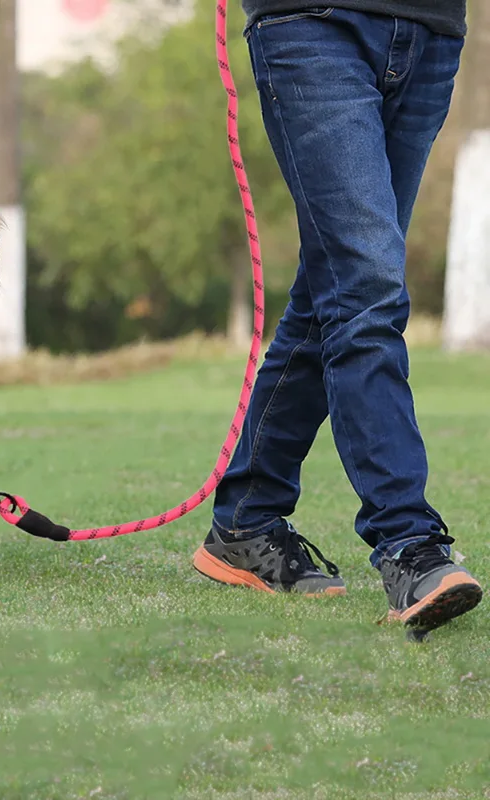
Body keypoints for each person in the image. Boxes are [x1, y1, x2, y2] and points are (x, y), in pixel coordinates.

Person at [193, 1, 483, 630]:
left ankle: (246, 521)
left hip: (432, 30)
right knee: (366, 288)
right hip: (312, 21)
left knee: (334, 290)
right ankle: (410, 546)